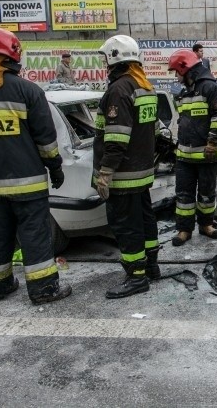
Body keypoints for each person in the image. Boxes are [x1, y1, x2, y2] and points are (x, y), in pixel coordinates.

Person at [0, 28, 71, 304]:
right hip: (28, 182)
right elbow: (46, 140)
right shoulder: (27, 91)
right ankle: (43, 289)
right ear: (12, 56)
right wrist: (55, 167)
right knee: (34, 234)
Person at [94, 35, 161, 298]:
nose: (104, 64)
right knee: (145, 220)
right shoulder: (144, 87)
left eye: (105, 59)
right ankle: (151, 267)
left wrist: (105, 173)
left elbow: (117, 139)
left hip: (122, 176)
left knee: (126, 225)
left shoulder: (118, 90)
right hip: (141, 173)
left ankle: (136, 277)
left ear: (113, 58)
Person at [167, 50, 217, 246]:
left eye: (177, 72)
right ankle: (184, 229)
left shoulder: (211, 88)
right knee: (184, 195)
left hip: (207, 154)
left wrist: (212, 142)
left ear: (187, 70)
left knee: (206, 193)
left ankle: (206, 225)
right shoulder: (184, 92)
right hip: (185, 156)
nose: (176, 77)